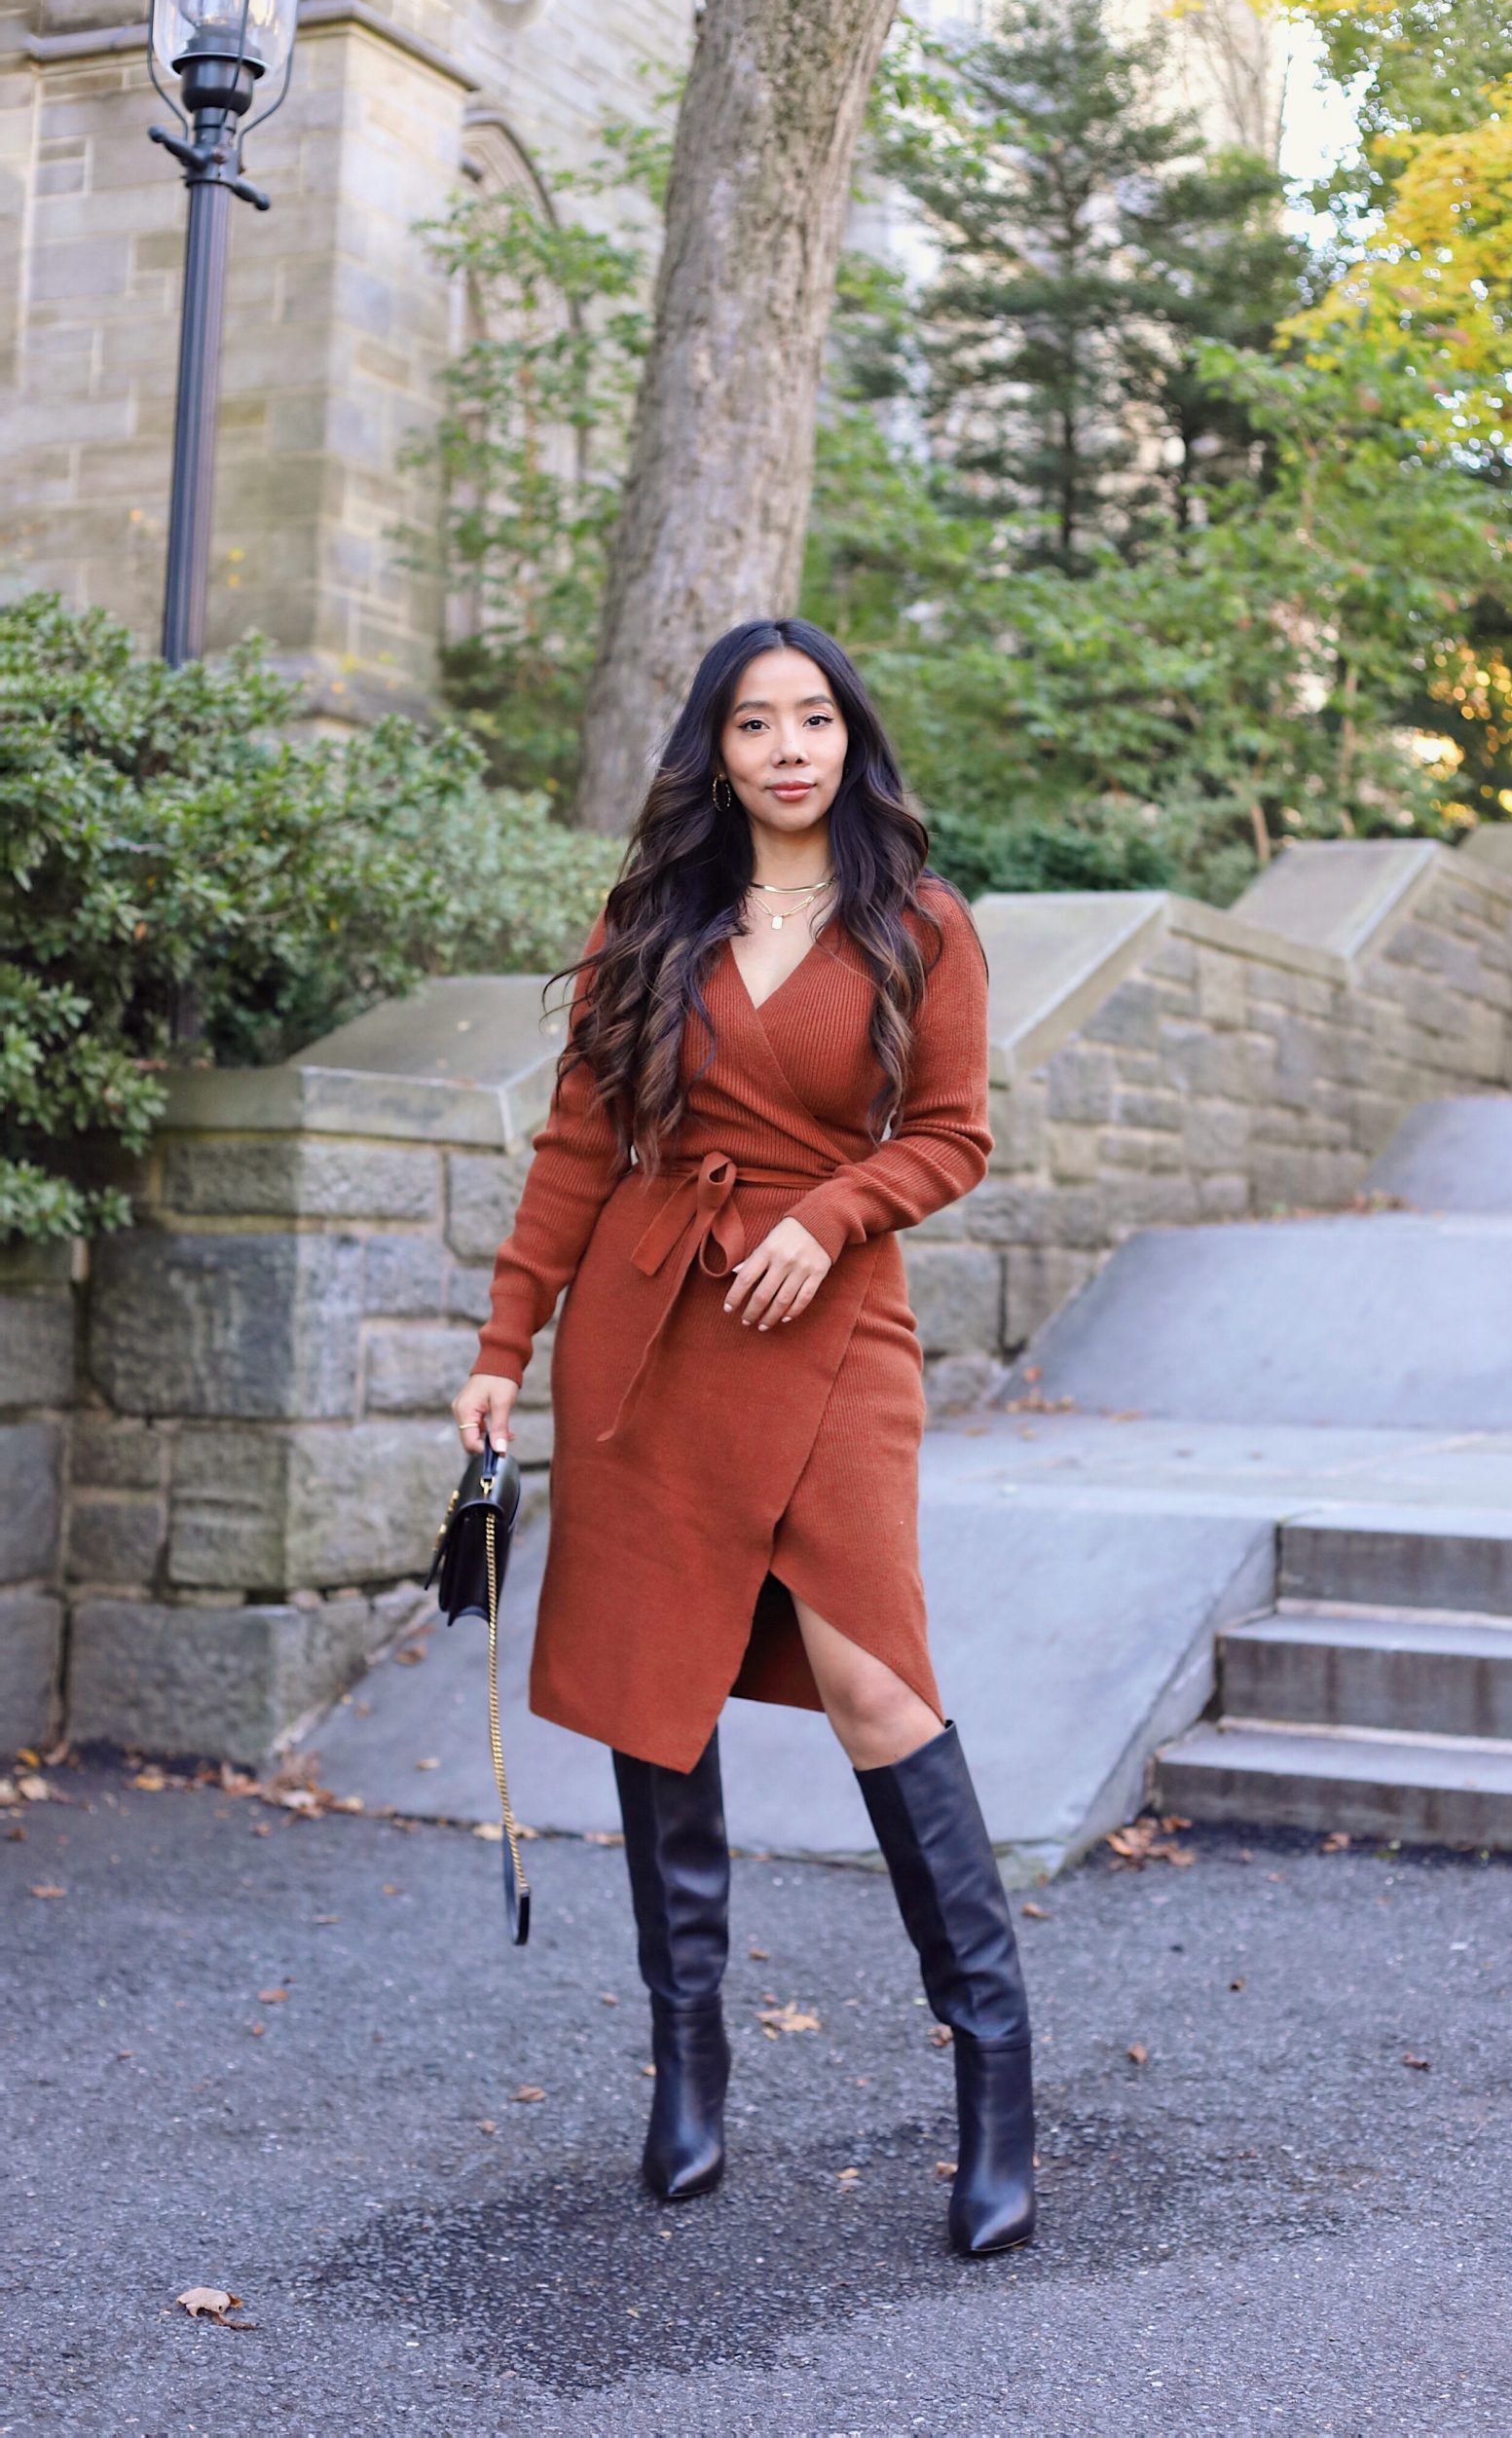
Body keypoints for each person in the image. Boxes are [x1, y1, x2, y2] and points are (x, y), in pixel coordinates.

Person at [450, 617, 1035, 2259]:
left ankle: (996, 2083)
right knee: (660, 1682)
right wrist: (504, 1341)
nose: (789, 746)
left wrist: (834, 1215)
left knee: (875, 1684)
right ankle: (686, 2067)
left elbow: (951, 1136)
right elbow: (579, 1138)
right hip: (649, 1335)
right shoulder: (655, 915)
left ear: (850, 738)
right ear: (716, 749)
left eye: (815, 718)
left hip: (834, 1326)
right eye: (755, 723)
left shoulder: (919, 921)